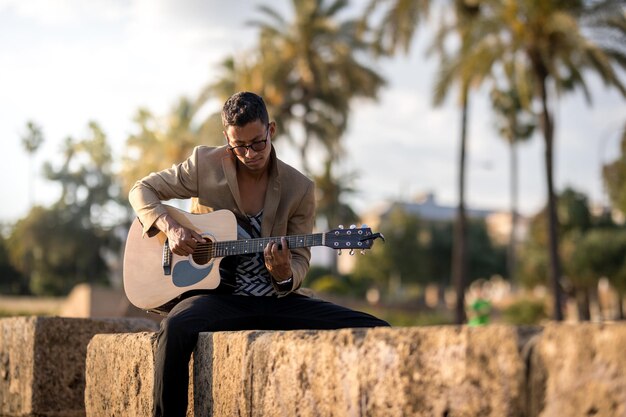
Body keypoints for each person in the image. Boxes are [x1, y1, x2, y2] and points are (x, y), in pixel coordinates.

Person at [128, 91, 389, 417]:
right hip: (217, 298)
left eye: (258, 143)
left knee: (376, 328)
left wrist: (282, 272)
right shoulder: (204, 165)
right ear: (226, 138)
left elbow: (301, 259)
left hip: (275, 301)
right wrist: (171, 227)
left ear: (271, 130)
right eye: (239, 146)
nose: (250, 153)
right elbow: (141, 190)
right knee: (176, 327)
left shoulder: (300, 188)